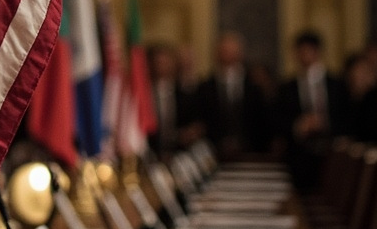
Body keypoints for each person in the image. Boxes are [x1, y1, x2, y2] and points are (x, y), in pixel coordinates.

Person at [275, 29, 348, 191]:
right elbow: (277, 122)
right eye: (300, 52)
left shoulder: (337, 85)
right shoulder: (287, 88)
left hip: (332, 155)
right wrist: (299, 126)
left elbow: (347, 118)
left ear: (317, 52)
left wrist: (324, 123)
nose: (304, 55)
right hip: (299, 158)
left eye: (308, 51)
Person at [194, 31, 271, 159]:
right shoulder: (205, 88)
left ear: (241, 53)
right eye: (224, 51)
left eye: (232, 51)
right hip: (214, 153)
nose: (228, 55)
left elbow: (262, 120)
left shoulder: (254, 86)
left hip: (251, 153)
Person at [146, 42, 197, 159]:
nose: (162, 66)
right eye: (158, 62)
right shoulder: (144, 95)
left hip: (180, 155)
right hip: (152, 154)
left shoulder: (185, 93)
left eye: (166, 62)